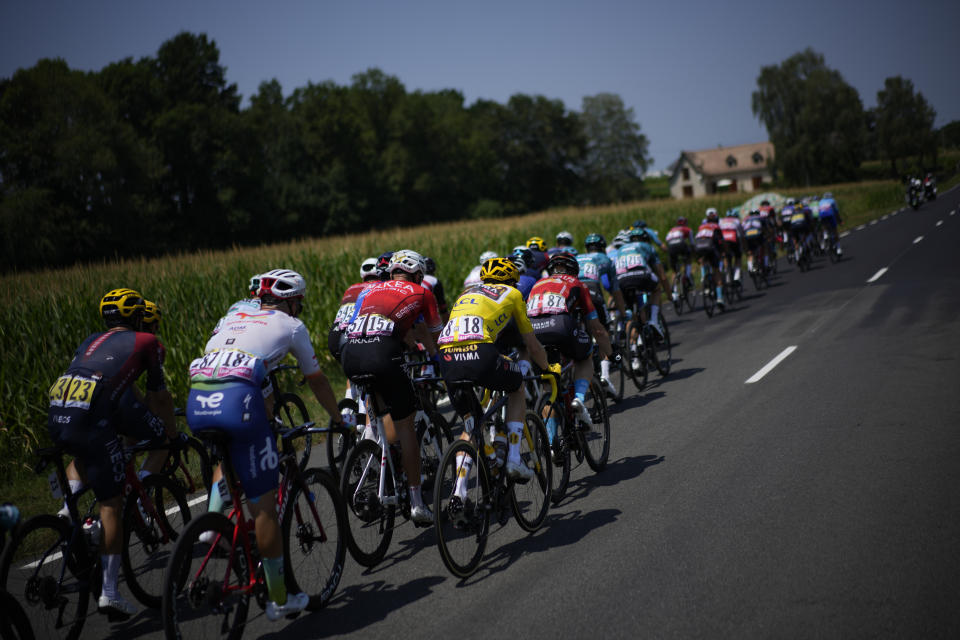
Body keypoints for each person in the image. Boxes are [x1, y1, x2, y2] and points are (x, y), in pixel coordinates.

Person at [186, 269, 347, 621]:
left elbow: (246, 371)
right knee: (264, 509)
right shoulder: (291, 326)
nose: (299, 310)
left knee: (228, 451)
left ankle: (214, 524)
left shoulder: (232, 315)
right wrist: (337, 419)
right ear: (290, 300)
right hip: (237, 402)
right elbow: (316, 380)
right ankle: (278, 598)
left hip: (198, 400)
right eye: (299, 304)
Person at [47, 288, 177, 619]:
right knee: (112, 503)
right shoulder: (147, 342)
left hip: (59, 405)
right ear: (137, 317)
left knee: (83, 455)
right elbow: (157, 398)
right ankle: (109, 592)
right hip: (95, 413)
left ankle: (66, 513)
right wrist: (171, 434)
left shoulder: (92, 339)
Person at [339, 250, 443, 524]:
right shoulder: (422, 292)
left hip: (351, 355)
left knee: (381, 405)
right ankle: (418, 502)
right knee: (406, 423)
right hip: (383, 355)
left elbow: (360, 324)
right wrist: (436, 359)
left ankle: (373, 449)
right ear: (418, 274)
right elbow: (432, 335)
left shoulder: (369, 289)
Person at [437, 257, 558, 493]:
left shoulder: (467, 293)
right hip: (480, 352)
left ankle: (459, 493)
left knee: (470, 425)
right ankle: (514, 458)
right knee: (516, 387)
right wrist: (547, 369)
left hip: (447, 356)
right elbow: (531, 344)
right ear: (513, 280)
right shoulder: (512, 294)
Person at [528, 253, 613, 438]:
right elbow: (596, 329)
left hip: (533, 331)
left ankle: (552, 444)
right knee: (586, 354)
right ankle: (580, 400)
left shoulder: (538, 284)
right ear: (574, 270)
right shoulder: (577, 283)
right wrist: (614, 356)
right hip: (560, 325)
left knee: (548, 388)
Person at [577, 233, 627, 396]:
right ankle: (605, 376)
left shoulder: (577, 258)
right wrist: (622, 311)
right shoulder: (605, 260)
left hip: (574, 297)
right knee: (602, 333)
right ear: (603, 247)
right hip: (593, 295)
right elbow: (614, 288)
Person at [695, 208, 726, 309]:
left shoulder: (701, 227)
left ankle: (704, 278)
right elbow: (720, 242)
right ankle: (720, 298)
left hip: (699, 247)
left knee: (703, 261)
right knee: (716, 272)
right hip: (711, 248)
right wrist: (723, 253)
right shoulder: (716, 226)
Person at [665, 217, 695, 300]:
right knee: (688, 259)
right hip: (681, 244)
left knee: (674, 270)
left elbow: (667, 239)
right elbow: (692, 243)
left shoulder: (672, 229)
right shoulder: (687, 229)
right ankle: (687, 276)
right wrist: (693, 253)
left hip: (671, 246)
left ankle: (674, 291)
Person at [719, 209, 746, 284]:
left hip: (724, 241)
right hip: (733, 240)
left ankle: (727, 277)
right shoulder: (737, 221)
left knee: (725, 257)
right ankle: (736, 276)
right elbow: (741, 235)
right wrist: (743, 247)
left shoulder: (721, 220)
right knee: (738, 257)